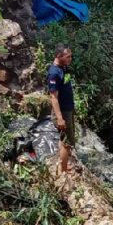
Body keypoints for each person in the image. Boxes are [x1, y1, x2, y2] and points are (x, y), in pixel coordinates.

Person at [47, 45, 77, 174]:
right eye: (68, 56)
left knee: (63, 138)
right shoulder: (53, 73)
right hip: (62, 112)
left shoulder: (64, 68)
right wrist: (60, 118)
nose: (70, 58)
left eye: (71, 56)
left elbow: (66, 87)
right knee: (67, 142)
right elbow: (53, 97)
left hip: (68, 109)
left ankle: (63, 164)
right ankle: (64, 171)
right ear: (59, 56)